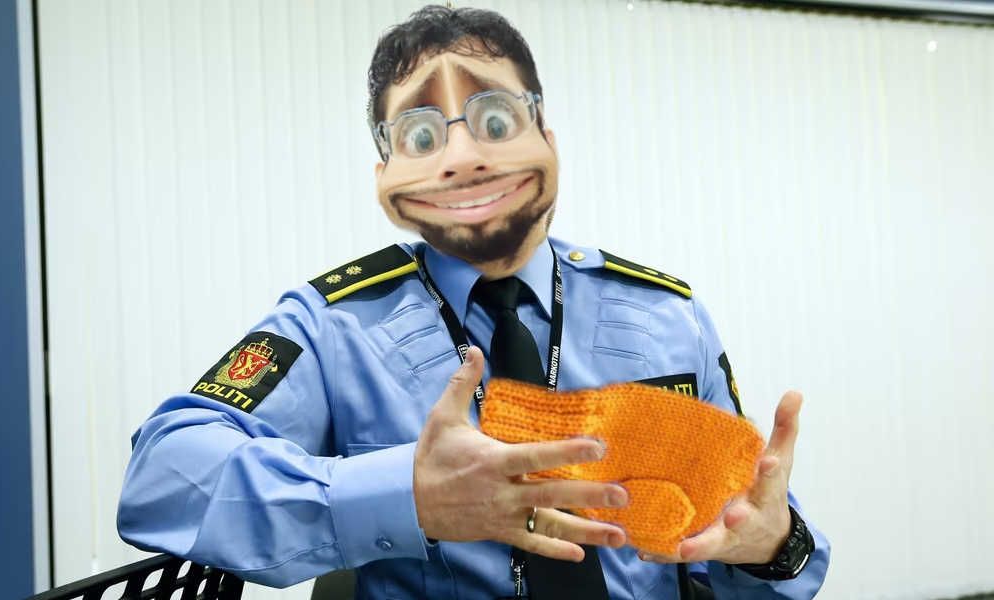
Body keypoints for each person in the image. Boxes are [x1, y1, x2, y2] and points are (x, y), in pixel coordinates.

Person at [117, 5, 830, 599]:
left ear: (545, 137)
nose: (463, 160)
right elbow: (162, 478)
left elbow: (741, 547)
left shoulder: (668, 317)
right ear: (386, 171)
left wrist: (774, 549)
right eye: (421, 136)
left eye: (494, 121)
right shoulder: (336, 325)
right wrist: (403, 496)